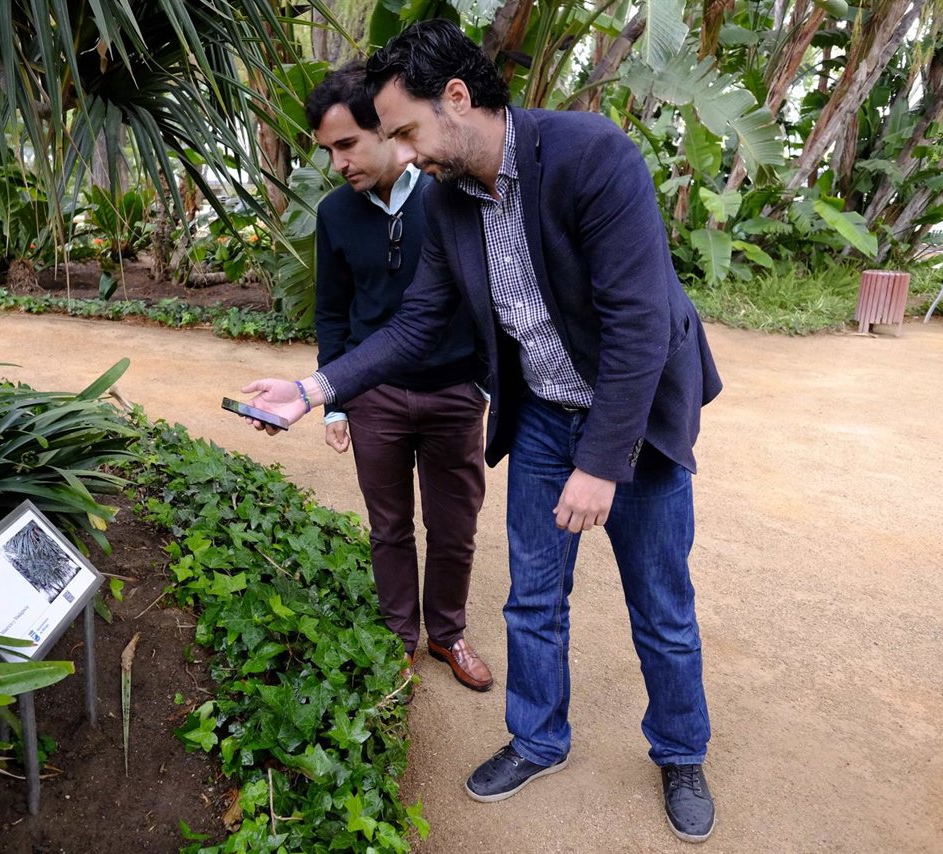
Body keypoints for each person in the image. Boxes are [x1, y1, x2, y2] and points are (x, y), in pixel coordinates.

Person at [239, 19, 723, 844]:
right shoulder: (454, 199)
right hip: (539, 415)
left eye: (403, 130)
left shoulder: (590, 156)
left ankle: (680, 751)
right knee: (533, 598)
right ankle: (538, 738)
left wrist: (603, 464)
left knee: (661, 604)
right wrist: (316, 386)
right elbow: (418, 321)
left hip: (631, 418)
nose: (400, 149)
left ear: (456, 99)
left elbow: (640, 324)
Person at [303, 64, 493, 693]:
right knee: (387, 526)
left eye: (348, 144)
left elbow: (489, 293)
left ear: (386, 131)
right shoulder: (335, 214)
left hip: (453, 392)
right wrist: (334, 403)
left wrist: (483, 385)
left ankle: (447, 633)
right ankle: (397, 638)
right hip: (373, 396)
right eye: (328, 151)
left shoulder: (450, 196)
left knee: (454, 525)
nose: (338, 164)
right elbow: (332, 313)